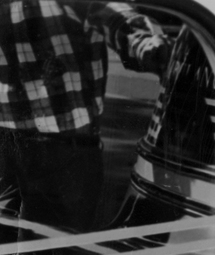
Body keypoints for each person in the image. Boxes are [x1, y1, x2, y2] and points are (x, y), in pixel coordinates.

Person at [0, 1, 170, 234]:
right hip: (66, 144)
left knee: (18, 230)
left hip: (10, 140)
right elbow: (119, 21)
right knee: (61, 240)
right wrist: (153, 47)